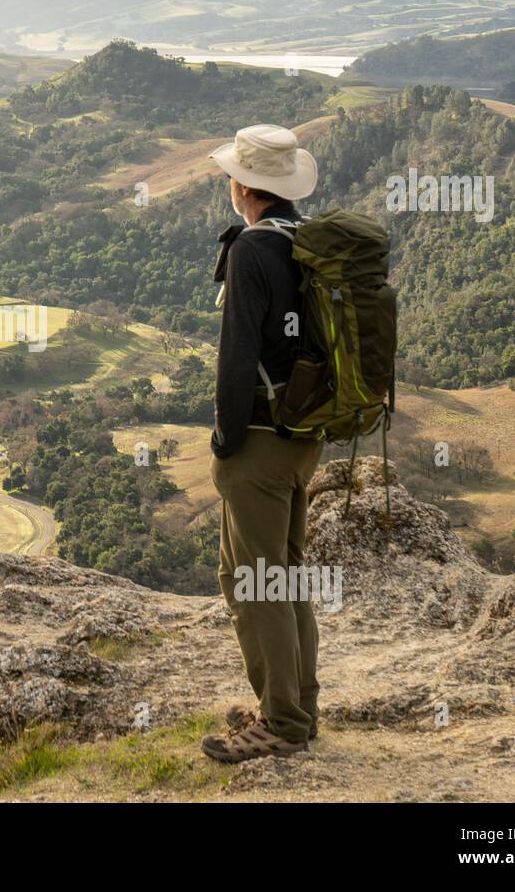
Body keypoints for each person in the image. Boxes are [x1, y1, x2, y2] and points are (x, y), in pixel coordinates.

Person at [201, 124, 324, 762]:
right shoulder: (310, 241)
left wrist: (223, 436)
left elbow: (238, 353)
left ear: (244, 186)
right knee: (284, 577)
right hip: (304, 436)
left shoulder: (252, 249)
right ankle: (299, 706)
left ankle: (281, 722)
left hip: (258, 440)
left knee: (252, 581)